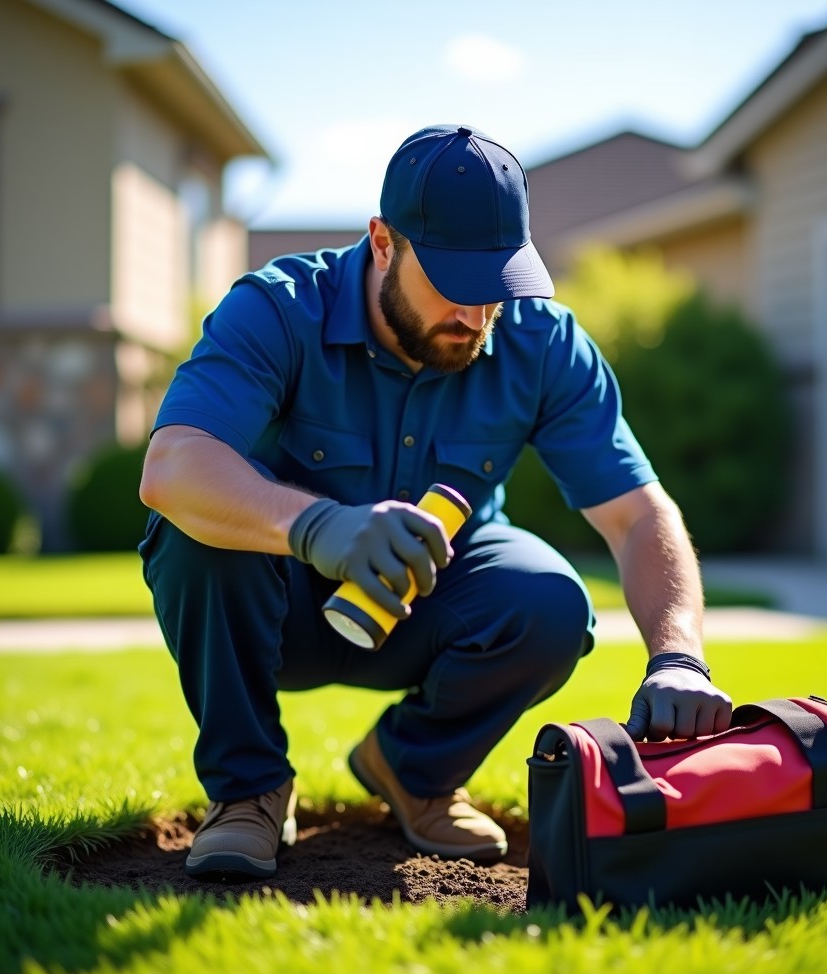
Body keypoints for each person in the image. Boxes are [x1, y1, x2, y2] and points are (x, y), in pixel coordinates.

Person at [138, 124, 732, 881]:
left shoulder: (541, 342)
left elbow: (638, 513)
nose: (478, 315)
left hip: (435, 603)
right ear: (384, 242)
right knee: (192, 534)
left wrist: (680, 657)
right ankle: (249, 789)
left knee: (551, 600)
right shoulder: (279, 309)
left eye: (500, 283)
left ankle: (413, 770)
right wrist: (320, 526)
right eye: (455, 282)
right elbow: (173, 465)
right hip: (271, 604)